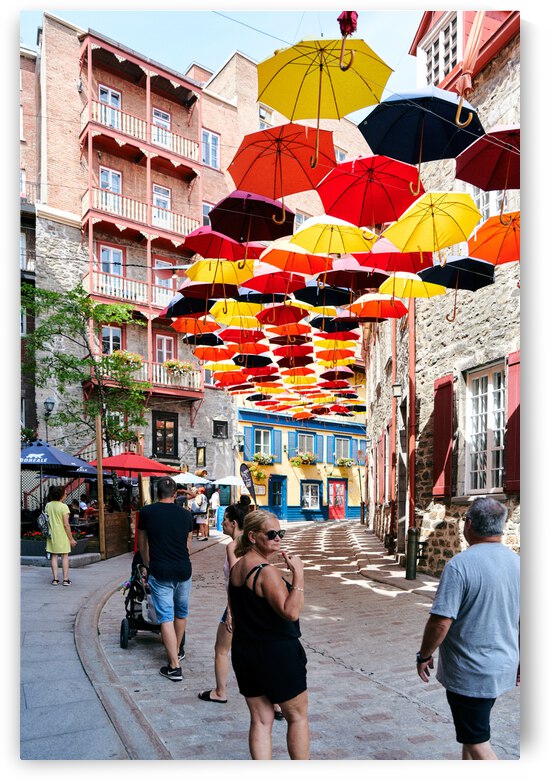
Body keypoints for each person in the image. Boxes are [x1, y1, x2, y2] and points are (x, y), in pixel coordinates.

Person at [416, 497, 520, 760]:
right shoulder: (518, 563)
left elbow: (441, 621)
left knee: (477, 742)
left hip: (470, 672)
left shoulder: (460, 565)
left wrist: (425, 655)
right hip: (502, 665)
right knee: (471, 735)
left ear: (469, 524)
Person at [228, 510, 309, 760]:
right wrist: (299, 575)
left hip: (245, 651)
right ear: (252, 536)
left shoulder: (238, 568)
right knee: (297, 717)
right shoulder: (266, 572)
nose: (278, 539)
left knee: (261, 721)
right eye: (271, 534)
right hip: (276, 653)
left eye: (280, 533)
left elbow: (236, 610)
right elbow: (291, 611)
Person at [138, 476, 194, 682]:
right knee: (181, 614)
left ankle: (174, 666)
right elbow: (188, 545)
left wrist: (146, 564)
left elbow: (142, 543)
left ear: (156, 493)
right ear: (175, 493)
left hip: (160, 570)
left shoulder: (146, 512)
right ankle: (177, 651)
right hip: (183, 569)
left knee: (166, 617)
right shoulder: (186, 515)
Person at [198, 502, 247, 704]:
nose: (222, 523)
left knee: (221, 649)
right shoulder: (254, 543)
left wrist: (230, 611)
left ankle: (220, 691)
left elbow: (235, 580)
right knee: (257, 651)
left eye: (225, 520)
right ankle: (276, 702)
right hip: (255, 604)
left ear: (233, 523)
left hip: (238, 605)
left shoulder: (233, 546)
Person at [45, 485, 77, 586]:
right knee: (64, 556)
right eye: (65, 493)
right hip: (62, 535)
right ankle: (66, 580)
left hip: (51, 534)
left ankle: (55, 579)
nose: (66, 495)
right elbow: (66, 524)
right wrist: (71, 539)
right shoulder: (64, 507)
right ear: (61, 495)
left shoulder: (48, 505)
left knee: (54, 556)